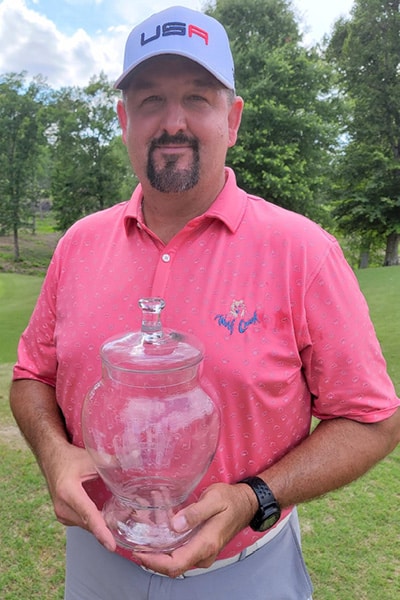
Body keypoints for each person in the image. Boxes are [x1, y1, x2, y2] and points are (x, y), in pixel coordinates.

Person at [10, 6, 400, 600]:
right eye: (149, 101)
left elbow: (374, 420)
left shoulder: (302, 252)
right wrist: (55, 456)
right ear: (123, 120)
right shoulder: (77, 246)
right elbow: (31, 378)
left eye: (197, 97)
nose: (173, 122)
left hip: (242, 576)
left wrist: (254, 497)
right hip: (96, 562)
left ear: (232, 118)